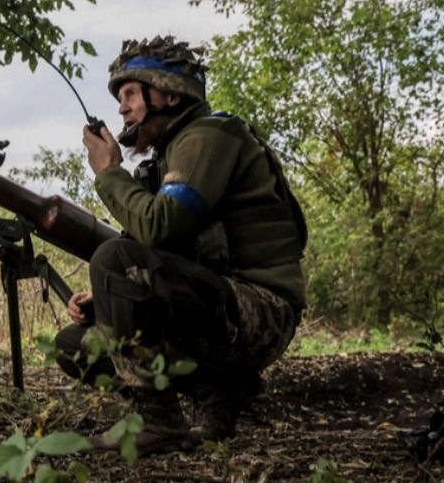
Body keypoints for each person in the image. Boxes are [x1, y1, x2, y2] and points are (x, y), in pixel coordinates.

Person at [55, 35, 308, 454]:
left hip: (263, 309)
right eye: (121, 98)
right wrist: (103, 302)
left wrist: (109, 173)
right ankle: (220, 390)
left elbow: (159, 227)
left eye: (131, 93)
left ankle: (160, 422)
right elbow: (153, 259)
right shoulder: (168, 158)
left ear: (169, 95)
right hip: (219, 307)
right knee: (74, 346)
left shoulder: (209, 136)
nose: (122, 108)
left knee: (112, 259)